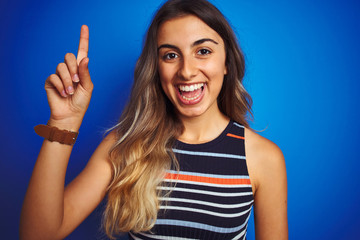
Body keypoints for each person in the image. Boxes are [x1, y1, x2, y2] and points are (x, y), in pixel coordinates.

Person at [20, 0, 288, 239]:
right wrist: (63, 123)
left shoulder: (263, 158)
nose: (186, 70)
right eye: (171, 55)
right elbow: (38, 234)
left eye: (203, 51)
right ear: (156, 67)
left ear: (227, 62)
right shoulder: (126, 146)